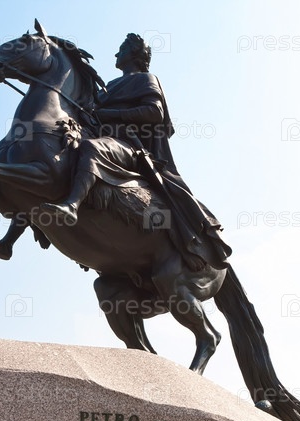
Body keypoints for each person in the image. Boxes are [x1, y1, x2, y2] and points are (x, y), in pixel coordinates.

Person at [41, 33, 231, 270]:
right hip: (106, 139)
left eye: (121, 49)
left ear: (134, 54)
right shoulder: (109, 86)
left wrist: (110, 114)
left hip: (131, 147)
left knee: (91, 148)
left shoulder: (145, 79)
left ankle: (72, 204)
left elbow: (154, 112)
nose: (116, 53)